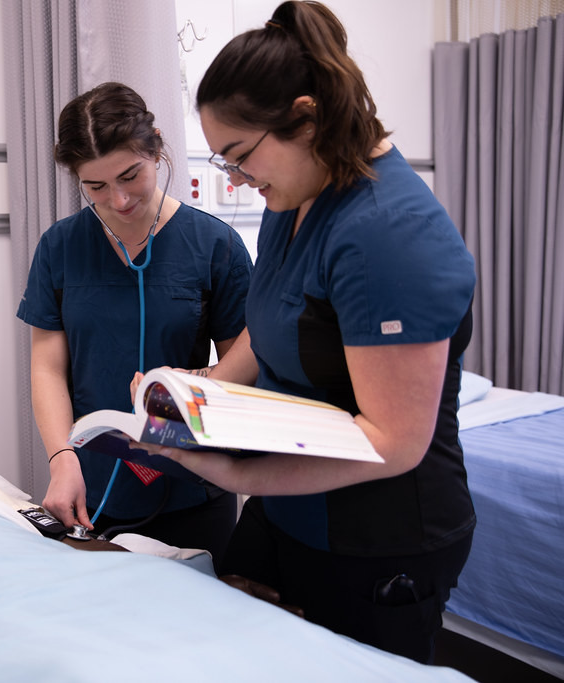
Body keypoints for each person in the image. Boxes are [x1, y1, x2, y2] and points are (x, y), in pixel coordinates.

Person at [149, 0, 475, 664]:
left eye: (239, 157)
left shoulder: (387, 232)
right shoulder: (293, 200)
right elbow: (270, 325)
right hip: (289, 512)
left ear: (305, 116)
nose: (237, 180)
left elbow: (392, 442)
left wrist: (233, 471)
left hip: (378, 537)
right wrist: (198, 388)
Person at [16, 82, 253, 573]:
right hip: (89, 486)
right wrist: (62, 459)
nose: (119, 200)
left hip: (194, 485)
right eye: (95, 186)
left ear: (157, 148)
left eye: (131, 175)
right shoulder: (60, 248)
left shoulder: (215, 247)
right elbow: (46, 369)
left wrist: (189, 386)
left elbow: (246, 370)